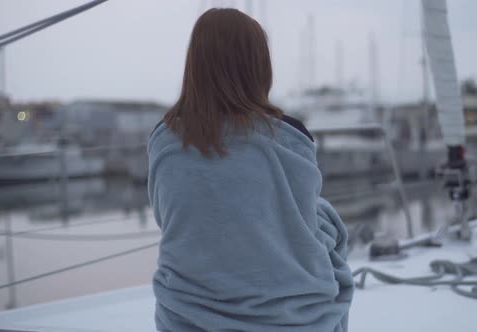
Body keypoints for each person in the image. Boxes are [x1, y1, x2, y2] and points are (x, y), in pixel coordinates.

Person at [148, 8, 353, 331]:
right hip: (288, 321)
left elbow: (171, 220)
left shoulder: (165, 140)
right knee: (327, 224)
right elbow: (301, 221)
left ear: (195, 64)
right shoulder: (290, 136)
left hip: (186, 317)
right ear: (258, 66)